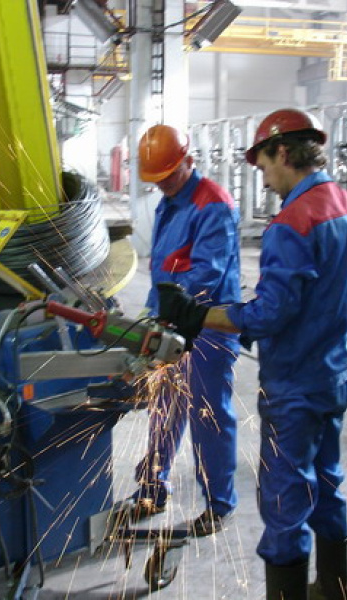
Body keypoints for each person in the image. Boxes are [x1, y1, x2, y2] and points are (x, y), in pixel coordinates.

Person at [156, 109, 347, 599]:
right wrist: (327, 325)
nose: (263, 179)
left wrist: (199, 315)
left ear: (282, 152)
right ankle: (335, 587)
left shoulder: (292, 223)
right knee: (328, 481)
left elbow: (267, 315)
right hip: (338, 373)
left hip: (295, 384)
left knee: (284, 499)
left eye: (263, 166)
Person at [130, 123, 242, 537]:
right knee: (164, 407)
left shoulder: (213, 204)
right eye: (156, 179)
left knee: (207, 415)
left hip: (209, 324)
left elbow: (207, 274)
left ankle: (218, 503)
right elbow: (163, 267)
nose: (162, 185)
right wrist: (152, 315)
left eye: (168, 175)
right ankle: (152, 488)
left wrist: (173, 311)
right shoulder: (168, 201)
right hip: (171, 320)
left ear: (188, 161)